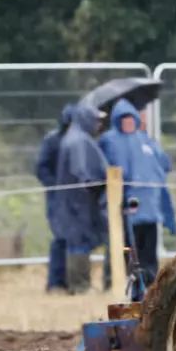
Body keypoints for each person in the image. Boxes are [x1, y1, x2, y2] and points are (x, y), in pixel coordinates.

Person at [99, 98, 176, 295]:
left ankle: (149, 285)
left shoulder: (147, 141)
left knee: (147, 250)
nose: (128, 123)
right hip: (125, 207)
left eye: (131, 118)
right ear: (117, 120)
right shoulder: (110, 141)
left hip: (150, 207)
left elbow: (164, 165)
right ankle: (117, 284)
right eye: (124, 119)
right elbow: (107, 168)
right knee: (122, 247)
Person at [55, 103, 108, 294]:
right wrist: (96, 183)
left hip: (75, 203)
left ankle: (78, 284)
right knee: (78, 244)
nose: (98, 124)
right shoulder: (78, 141)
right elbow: (81, 173)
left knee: (77, 243)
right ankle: (80, 286)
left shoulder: (74, 137)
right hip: (78, 203)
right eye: (96, 120)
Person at [35, 104, 75, 293]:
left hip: (75, 200)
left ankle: (70, 281)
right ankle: (56, 282)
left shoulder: (80, 141)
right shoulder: (52, 141)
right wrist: (57, 186)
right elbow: (41, 168)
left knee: (74, 239)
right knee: (60, 238)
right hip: (57, 199)